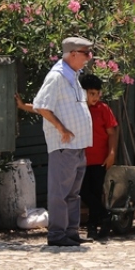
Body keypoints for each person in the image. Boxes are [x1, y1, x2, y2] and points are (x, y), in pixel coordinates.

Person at [31, 37, 95, 248]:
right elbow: (41, 105)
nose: (89, 58)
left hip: (77, 146)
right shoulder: (57, 76)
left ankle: (71, 232)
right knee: (60, 192)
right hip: (64, 145)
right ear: (73, 54)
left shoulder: (73, 76)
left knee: (73, 193)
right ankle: (58, 235)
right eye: (86, 54)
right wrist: (61, 128)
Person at [78, 73, 118, 242]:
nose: (94, 97)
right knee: (83, 192)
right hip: (80, 159)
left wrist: (112, 153)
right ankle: (106, 215)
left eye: (97, 94)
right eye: (91, 93)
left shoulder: (103, 109)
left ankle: (92, 228)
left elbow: (112, 132)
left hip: (99, 159)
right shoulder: (77, 109)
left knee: (95, 192)